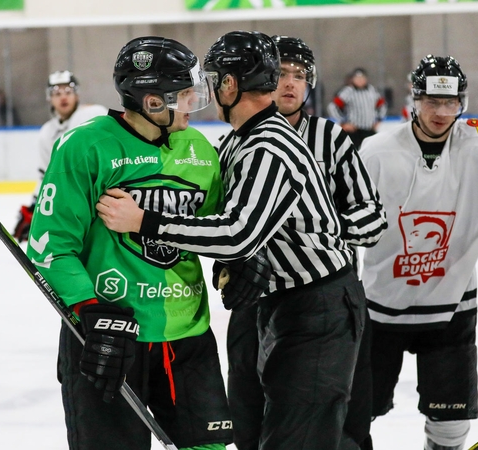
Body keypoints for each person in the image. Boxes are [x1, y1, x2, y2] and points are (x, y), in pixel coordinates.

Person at [95, 30, 367, 450]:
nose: (205, 89)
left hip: (319, 308)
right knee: (261, 431)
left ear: (230, 84)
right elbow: (231, 232)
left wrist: (145, 221)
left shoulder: (270, 145)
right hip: (283, 304)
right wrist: (231, 266)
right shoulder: (238, 140)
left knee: (299, 440)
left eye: (214, 78)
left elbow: (237, 233)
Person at [25, 36, 233, 450]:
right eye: (184, 95)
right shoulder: (85, 147)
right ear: (153, 102)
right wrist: (88, 307)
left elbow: (216, 228)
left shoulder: (200, 151)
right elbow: (49, 246)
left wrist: (233, 265)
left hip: (187, 334)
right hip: (107, 332)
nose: (193, 103)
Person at [358, 55, 478, 450]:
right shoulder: (376, 152)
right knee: (355, 413)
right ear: (414, 100)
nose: (441, 112)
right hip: (380, 309)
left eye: (451, 103)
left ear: (462, 102)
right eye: (432, 102)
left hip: (451, 311)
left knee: (450, 422)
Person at [222, 34, 388, 450]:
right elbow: (225, 224)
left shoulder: (330, 139)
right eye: (280, 74)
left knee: (339, 419)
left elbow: (373, 217)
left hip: (324, 300)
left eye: (300, 75)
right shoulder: (233, 142)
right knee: (247, 413)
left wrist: (317, 229)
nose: (290, 83)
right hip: (255, 299)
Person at [13, 70, 107, 242]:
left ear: (76, 94)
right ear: (49, 98)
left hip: (102, 193)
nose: (63, 97)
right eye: (57, 93)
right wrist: (35, 205)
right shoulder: (47, 133)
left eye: (68, 91)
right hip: (71, 201)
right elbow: (46, 175)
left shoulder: (94, 114)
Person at [328, 67, 387, 148]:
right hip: (354, 131)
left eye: (362, 78)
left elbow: (382, 105)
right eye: (357, 78)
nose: (360, 80)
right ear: (353, 79)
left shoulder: (372, 90)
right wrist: (344, 122)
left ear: (366, 79)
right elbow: (333, 106)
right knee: (352, 155)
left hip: (369, 130)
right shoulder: (348, 91)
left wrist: (379, 119)